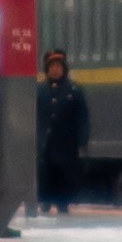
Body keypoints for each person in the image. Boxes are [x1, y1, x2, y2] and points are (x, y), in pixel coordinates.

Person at [35, 48, 88, 215]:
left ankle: (63, 202)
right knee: (45, 173)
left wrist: (82, 140)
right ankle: (45, 201)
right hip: (45, 142)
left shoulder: (74, 91)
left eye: (58, 66)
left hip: (66, 142)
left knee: (64, 173)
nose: (55, 70)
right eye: (52, 67)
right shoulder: (39, 91)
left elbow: (82, 117)